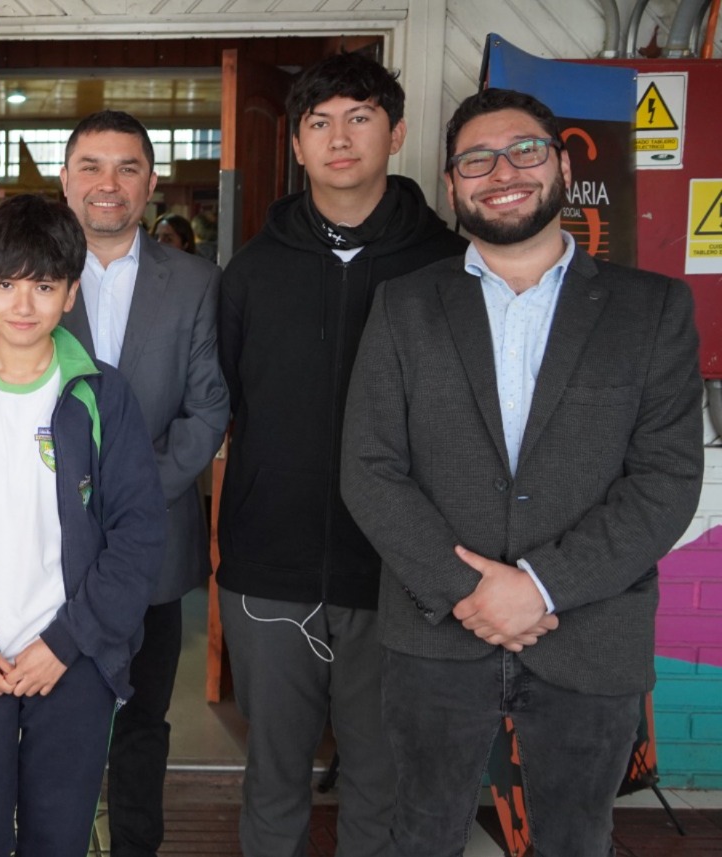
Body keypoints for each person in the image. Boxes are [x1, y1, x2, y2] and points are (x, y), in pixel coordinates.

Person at [340, 87, 704, 856]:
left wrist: (537, 586)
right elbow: (370, 468)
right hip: (438, 631)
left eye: (525, 150)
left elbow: (665, 480)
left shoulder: (654, 310)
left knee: (577, 839)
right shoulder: (403, 306)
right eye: (476, 159)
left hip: (589, 630)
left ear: (562, 165)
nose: (501, 171)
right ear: (452, 185)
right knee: (420, 837)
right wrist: (473, 590)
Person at [215, 52, 468, 857]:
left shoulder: (450, 267)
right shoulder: (252, 271)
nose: (339, 138)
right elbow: (225, 408)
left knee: (383, 782)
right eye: (319, 123)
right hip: (272, 573)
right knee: (274, 774)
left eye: (359, 117)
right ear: (295, 145)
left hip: (403, 575)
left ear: (396, 132)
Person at [0, 193, 165, 856]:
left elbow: (137, 534)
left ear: (70, 293)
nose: (23, 304)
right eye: (6, 284)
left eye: (43, 286)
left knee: (58, 839)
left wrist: (69, 641)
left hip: (70, 660)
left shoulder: (101, 392)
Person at [57, 109, 228, 857]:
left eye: (127, 167)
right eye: (91, 165)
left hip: (153, 544)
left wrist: (124, 496)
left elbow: (208, 408)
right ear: (64, 180)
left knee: (143, 719)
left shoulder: (194, 282)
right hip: (48, 542)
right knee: (59, 713)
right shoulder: (32, 271)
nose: (108, 183)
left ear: (152, 182)